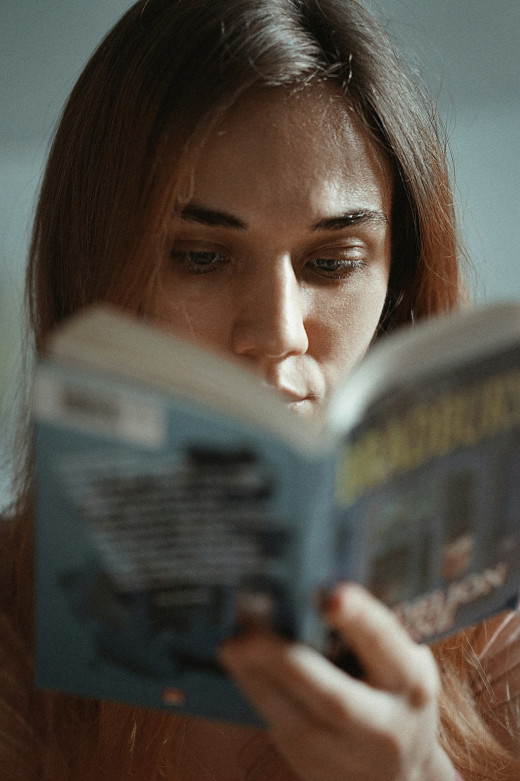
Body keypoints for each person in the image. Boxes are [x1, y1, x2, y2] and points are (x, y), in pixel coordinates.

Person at [1, 0, 519, 778]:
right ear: (97, 275)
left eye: (333, 261)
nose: (279, 332)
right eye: (201, 257)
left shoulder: (496, 620)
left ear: (400, 284)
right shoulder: (12, 623)